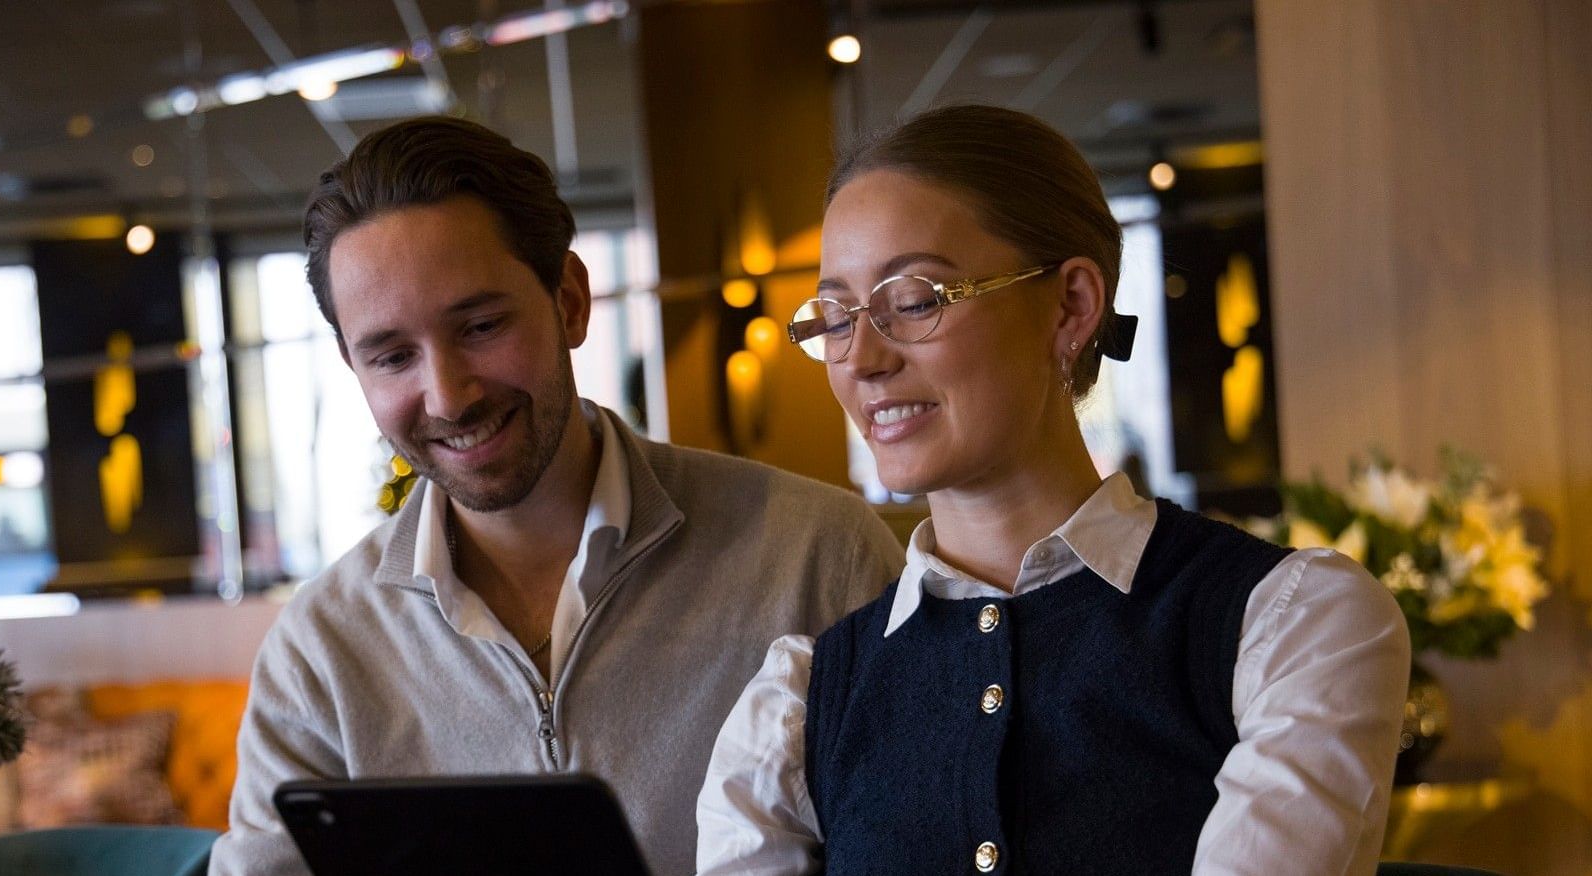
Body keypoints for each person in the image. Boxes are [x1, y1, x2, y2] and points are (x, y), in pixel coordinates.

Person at [695, 104, 1411, 875]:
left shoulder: (1288, 624)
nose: (861, 358)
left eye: (914, 301)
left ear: (1071, 305)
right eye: (835, 317)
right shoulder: (800, 703)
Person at [208, 116, 903, 875]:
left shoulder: (817, 554)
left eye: (480, 325)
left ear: (569, 300)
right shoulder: (322, 650)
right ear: (353, 367)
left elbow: (916, 844)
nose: (447, 396)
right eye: (393, 355)